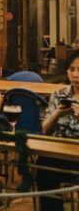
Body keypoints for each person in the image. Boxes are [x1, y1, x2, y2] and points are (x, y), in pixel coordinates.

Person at [39, 50, 79, 210]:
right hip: (60, 154)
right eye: (71, 69)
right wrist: (57, 113)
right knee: (43, 166)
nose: (76, 75)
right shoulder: (58, 94)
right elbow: (45, 131)